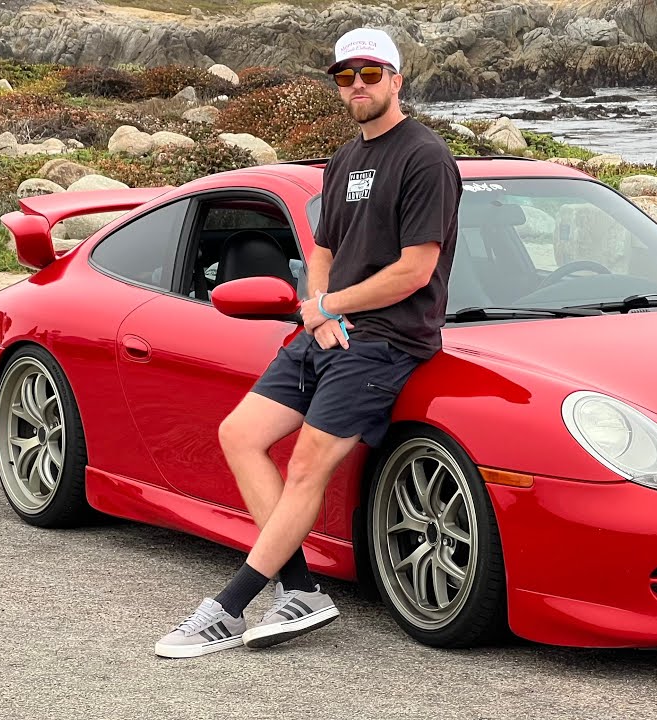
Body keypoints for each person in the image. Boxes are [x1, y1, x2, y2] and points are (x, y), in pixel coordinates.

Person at [155, 27, 462, 659]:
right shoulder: (345, 159)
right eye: (345, 76)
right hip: (326, 332)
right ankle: (300, 589)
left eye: (370, 74)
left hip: (387, 341)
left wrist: (331, 307)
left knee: (305, 467)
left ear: (397, 79)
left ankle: (229, 608)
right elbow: (322, 250)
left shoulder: (425, 157)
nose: (357, 86)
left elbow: (415, 270)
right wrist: (317, 310)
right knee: (240, 435)